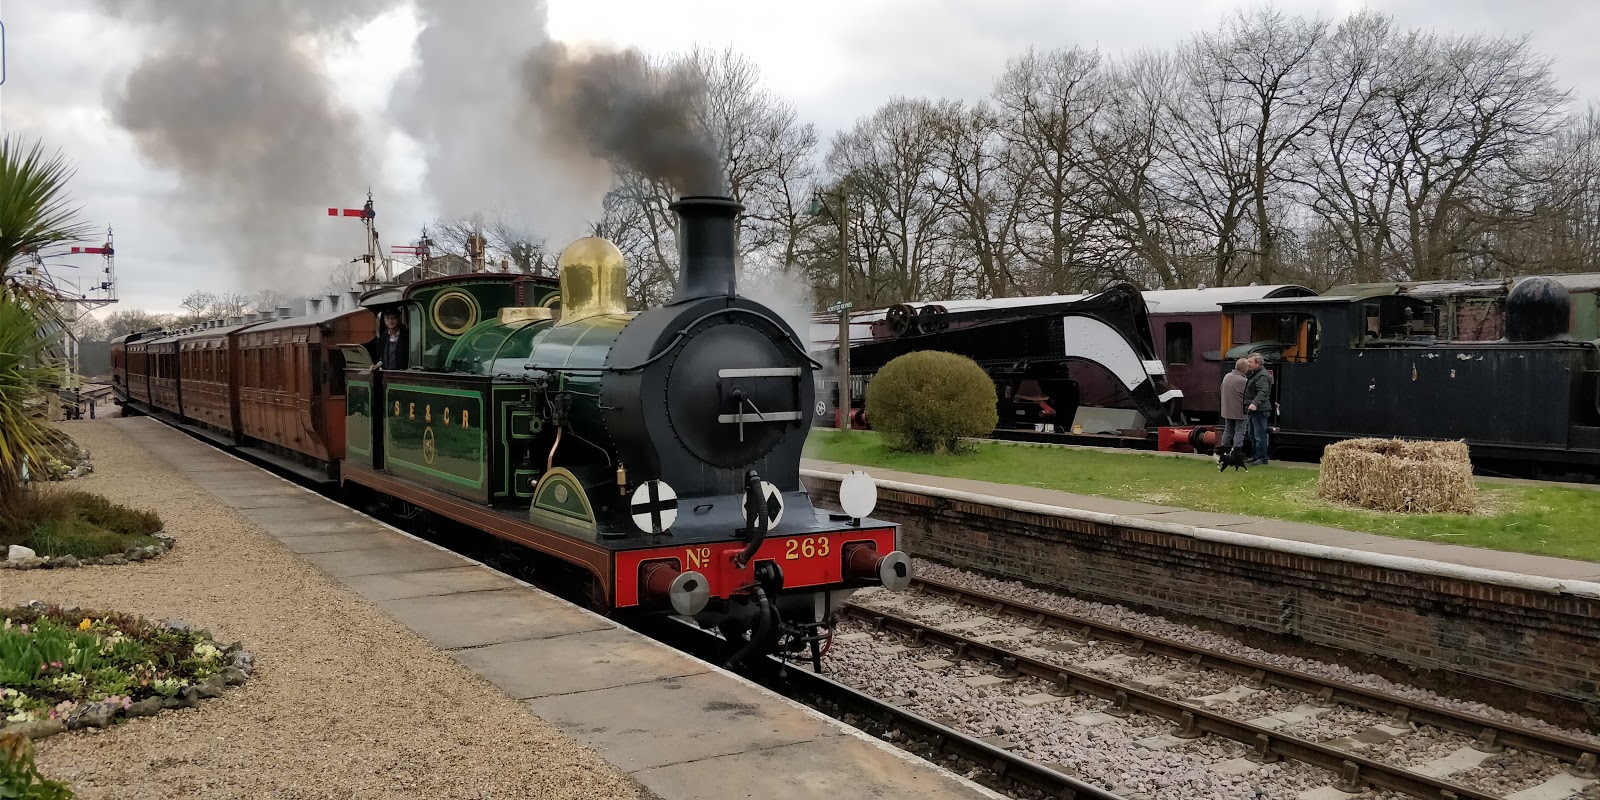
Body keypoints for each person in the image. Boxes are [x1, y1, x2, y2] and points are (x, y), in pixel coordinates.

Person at [1216, 358, 1249, 469]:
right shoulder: (1243, 381)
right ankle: (1236, 452)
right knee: (1239, 430)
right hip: (1239, 410)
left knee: (1228, 428)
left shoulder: (1227, 376)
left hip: (1226, 408)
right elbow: (1248, 395)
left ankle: (1224, 450)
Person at [1244, 354, 1273, 466]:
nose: (1248, 364)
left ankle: (1262, 457)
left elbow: (1263, 391)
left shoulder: (1262, 376)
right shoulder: (1256, 374)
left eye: (1250, 362)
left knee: (1259, 434)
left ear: (1258, 363)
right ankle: (1256, 455)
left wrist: (1254, 403)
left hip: (1260, 409)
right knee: (1252, 433)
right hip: (1255, 409)